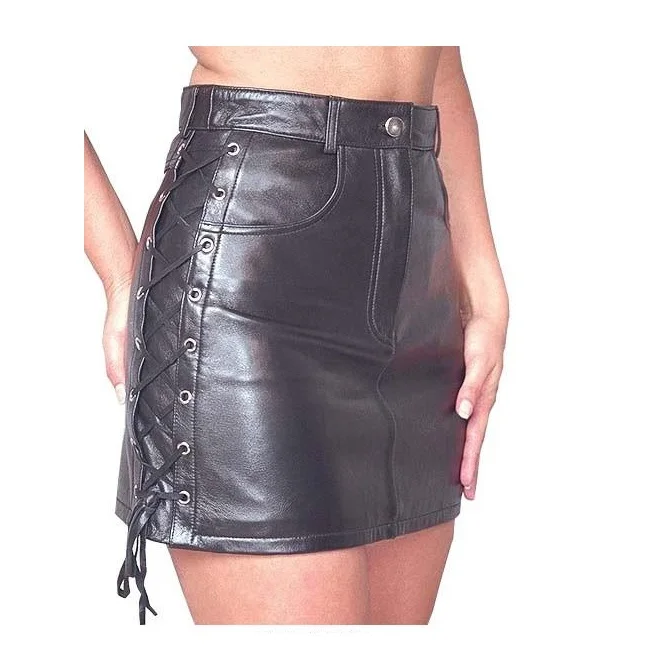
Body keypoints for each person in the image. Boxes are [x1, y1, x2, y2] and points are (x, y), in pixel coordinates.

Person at [84, 45, 508, 625]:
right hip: (250, 280)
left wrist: (482, 282)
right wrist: (119, 275)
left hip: (420, 276)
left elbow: (442, 62)